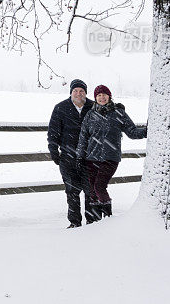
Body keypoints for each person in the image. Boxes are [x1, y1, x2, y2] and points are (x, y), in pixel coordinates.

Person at [76, 84, 147, 220]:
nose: (102, 98)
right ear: (95, 98)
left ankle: (108, 218)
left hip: (110, 157)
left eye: (104, 95)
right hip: (92, 158)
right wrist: (80, 156)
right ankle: (96, 222)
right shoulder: (90, 114)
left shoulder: (118, 113)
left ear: (109, 96)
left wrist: (146, 131)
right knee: (92, 190)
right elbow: (83, 137)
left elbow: (132, 132)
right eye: (99, 95)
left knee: (99, 186)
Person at [48, 79, 96, 228]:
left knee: (91, 191)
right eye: (75, 91)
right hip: (68, 158)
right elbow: (53, 133)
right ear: (71, 92)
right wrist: (54, 152)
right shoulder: (61, 108)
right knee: (72, 192)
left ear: (85, 93)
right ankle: (74, 222)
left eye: (81, 91)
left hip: (90, 158)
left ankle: (92, 222)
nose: (78, 93)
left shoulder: (94, 107)